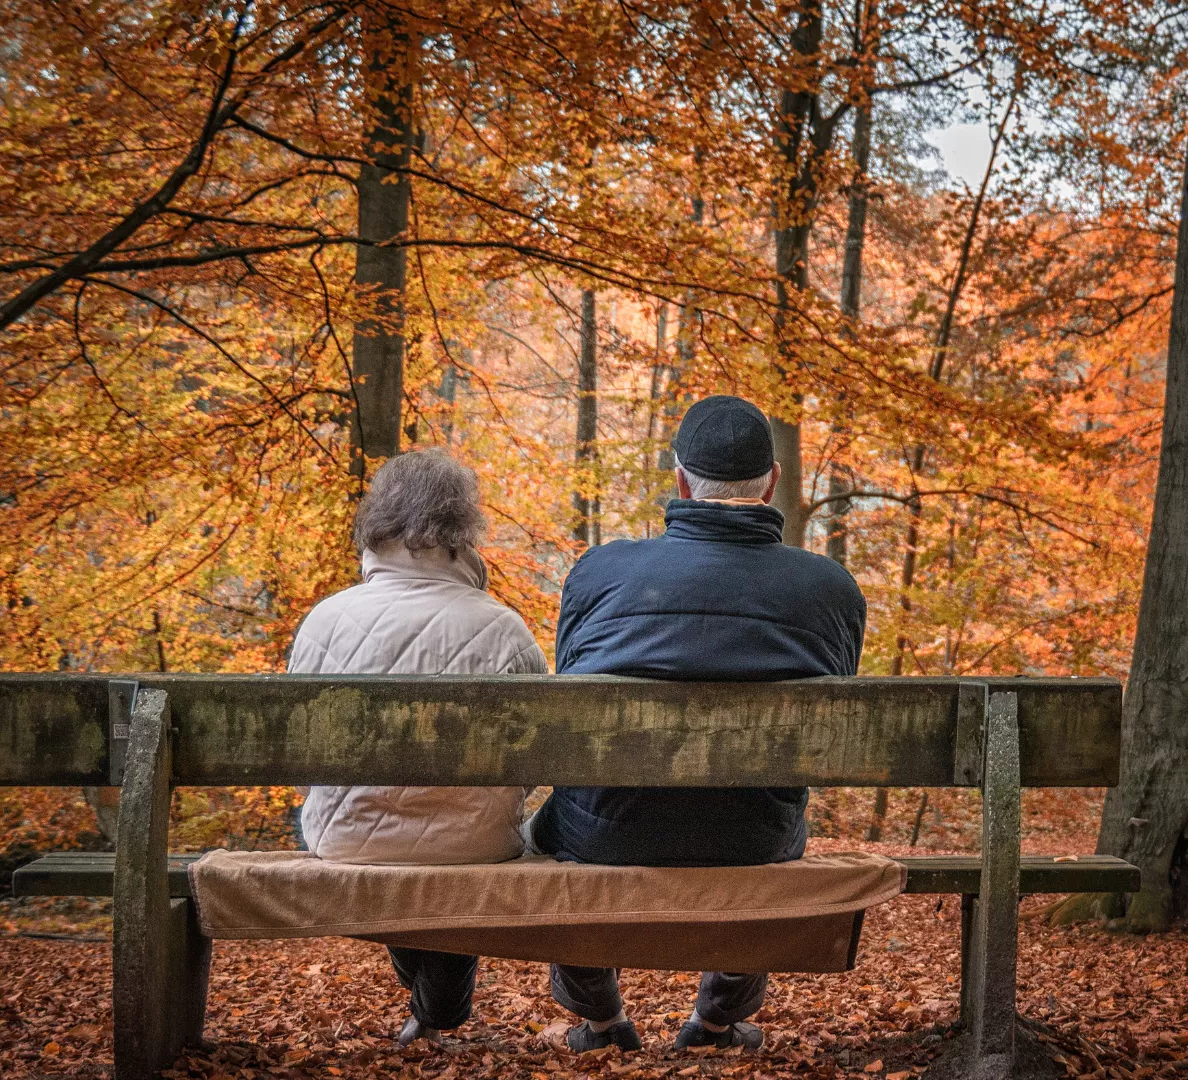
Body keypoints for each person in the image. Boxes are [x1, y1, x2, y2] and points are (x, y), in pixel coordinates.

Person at [527, 395, 868, 1054]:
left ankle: (600, 1023)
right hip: (753, 835)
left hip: (607, 833)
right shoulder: (830, 590)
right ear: (770, 482)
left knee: (564, 819)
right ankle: (715, 1023)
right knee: (762, 812)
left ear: (681, 480)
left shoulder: (599, 573)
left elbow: (573, 692)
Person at [289, 449, 547, 1046]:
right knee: (451, 849)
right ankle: (441, 1013)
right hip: (475, 841)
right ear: (463, 532)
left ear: (377, 526)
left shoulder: (324, 621)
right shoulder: (503, 627)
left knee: (397, 852)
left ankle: (434, 1012)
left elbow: (303, 761)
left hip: (344, 839)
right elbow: (532, 762)